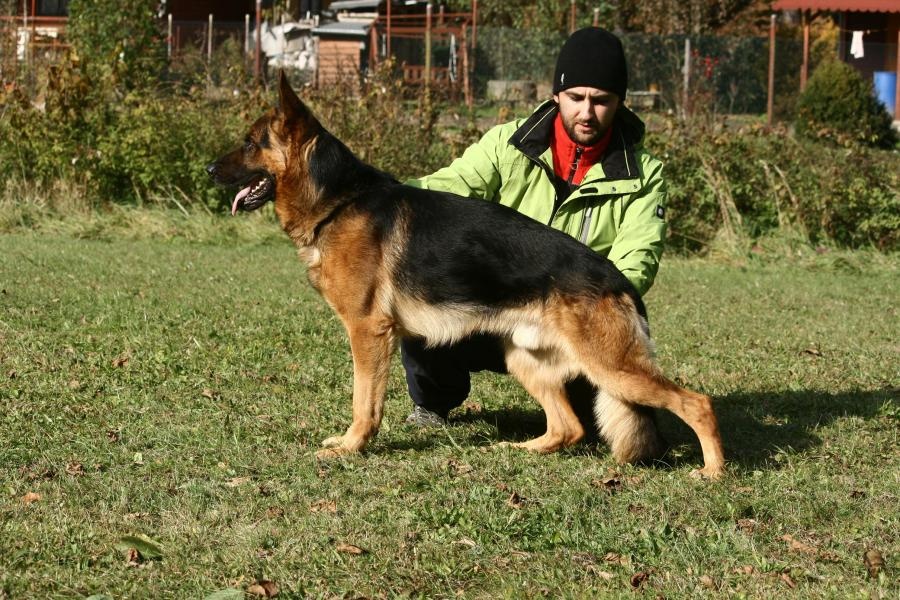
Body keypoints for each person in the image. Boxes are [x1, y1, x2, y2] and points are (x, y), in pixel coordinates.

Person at [401, 27, 667, 463]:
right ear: (556, 95)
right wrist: (382, 198)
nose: (587, 112)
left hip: (574, 318)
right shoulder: (505, 145)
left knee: (615, 422)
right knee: (426, 300)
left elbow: (637, 260)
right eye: (576, 96)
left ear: (619, 103)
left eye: (601, 100)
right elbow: (445, 188)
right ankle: (432, 403)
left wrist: (584, 316)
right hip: (493, 308)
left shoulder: (645, 173)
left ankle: (585, 412)